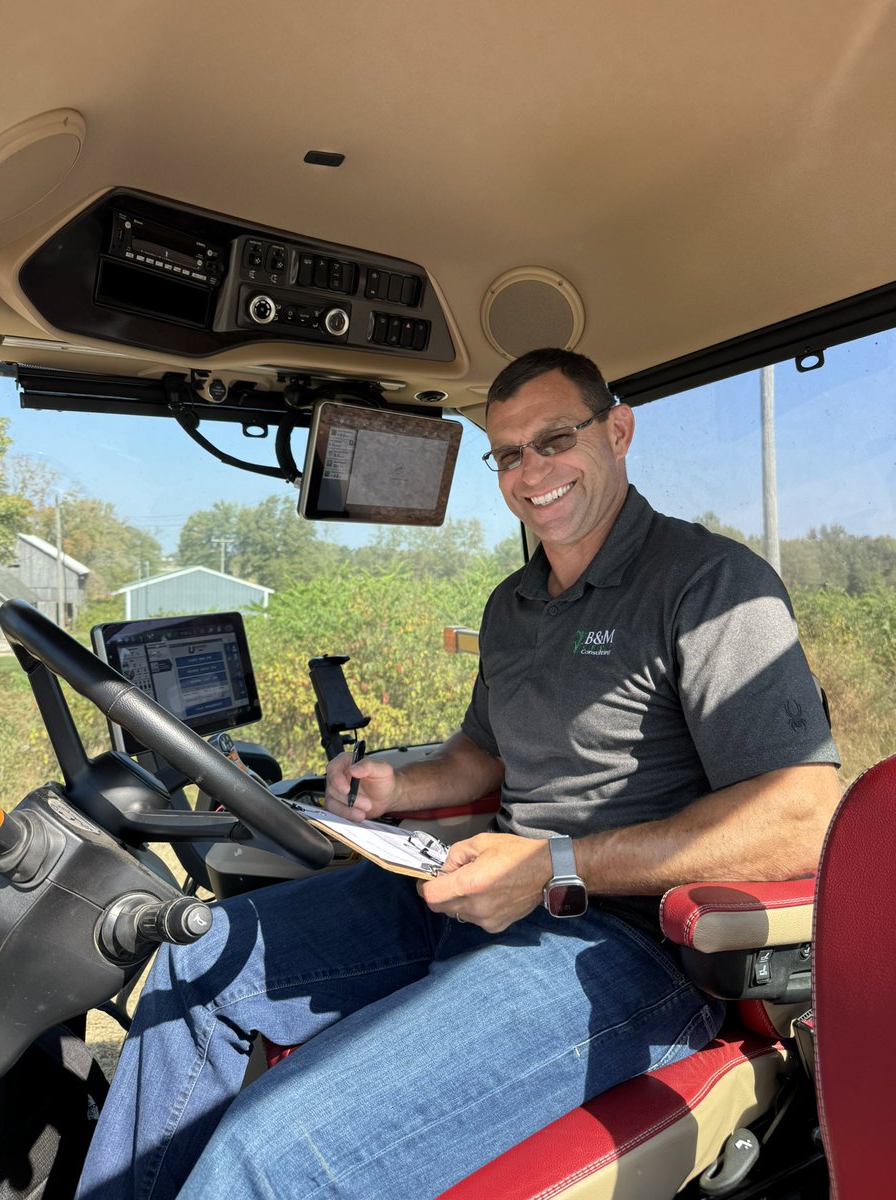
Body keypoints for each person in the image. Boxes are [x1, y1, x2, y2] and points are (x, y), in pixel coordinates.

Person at [76, 348, 840, 1200]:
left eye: (554, 439)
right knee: (195, 962)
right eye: (509, 454)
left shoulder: (709, 582)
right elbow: (485, 753)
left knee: (271, 1147)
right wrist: (395, 791)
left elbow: (805, 815)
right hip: (476, 893)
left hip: (629, 945)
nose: (532, 473)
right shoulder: (511, 606)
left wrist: (553, 866)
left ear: (618, 431)